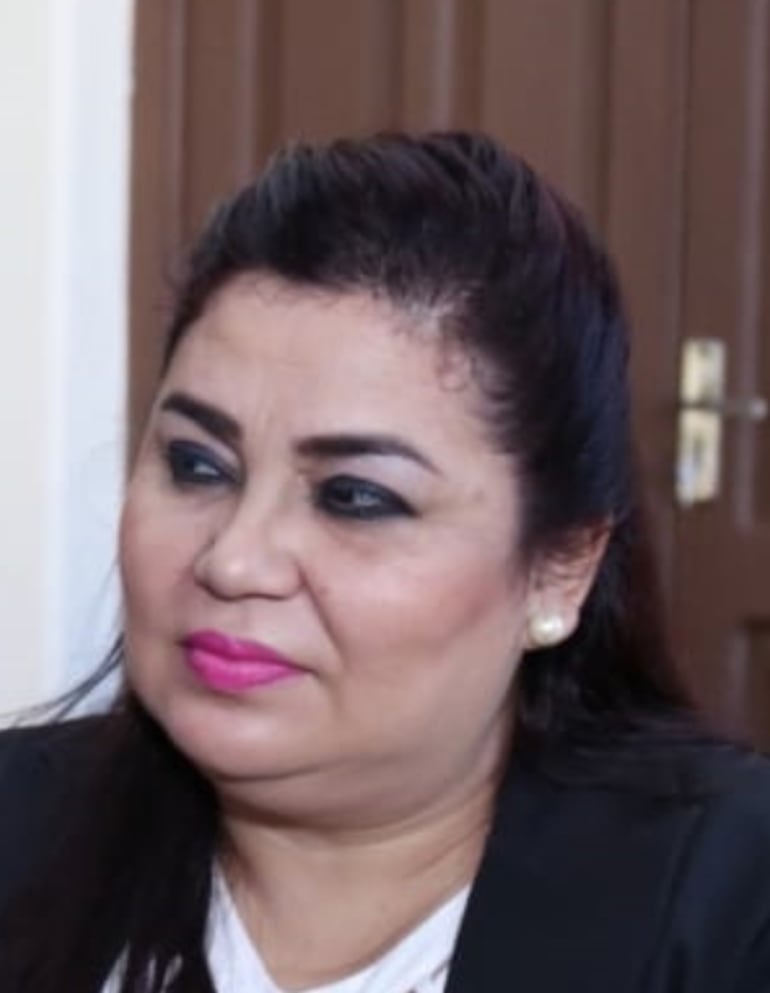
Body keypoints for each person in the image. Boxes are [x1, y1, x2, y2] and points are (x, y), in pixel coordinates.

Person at [1, 131, 769, 993]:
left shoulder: (730, 910)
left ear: (560, 568)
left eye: (356, 498)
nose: (236, 560)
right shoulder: (21, 833)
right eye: (198, 466)